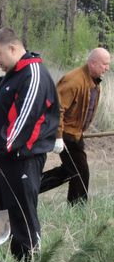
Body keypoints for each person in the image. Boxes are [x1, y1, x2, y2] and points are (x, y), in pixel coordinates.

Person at [0, 28, 59, 262]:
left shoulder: (34, 73)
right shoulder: (19, 71)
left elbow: (24, 119)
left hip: (23, 157)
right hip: (6, 156)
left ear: (12, 49)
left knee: (22, 212)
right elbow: (13, 85)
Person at [39, 48, 111, 204]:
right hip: (65, 134)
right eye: (104, 64)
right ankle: (77, 207)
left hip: (76, 134)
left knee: (70, 171)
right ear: (93, 63)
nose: (107, 68)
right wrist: (58, 137)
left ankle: (29, 187)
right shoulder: (74, 80)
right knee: (81, 171)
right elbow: (57, 107)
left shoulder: (93, 80)